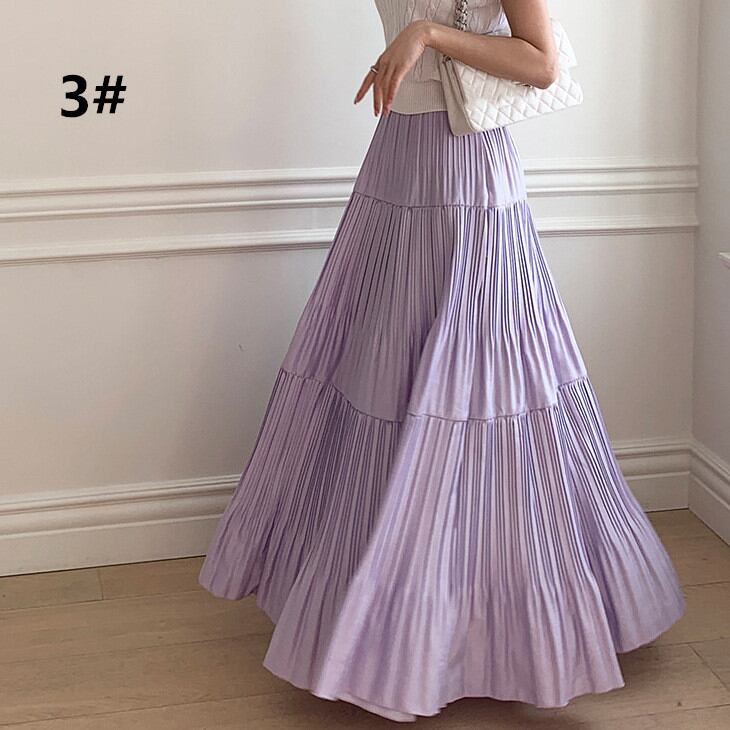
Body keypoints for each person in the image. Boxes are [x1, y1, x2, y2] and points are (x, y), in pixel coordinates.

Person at [198, 0, 685, 722]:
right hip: (396, 160)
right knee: (383, 375)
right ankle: (378, 617)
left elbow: (540, 61)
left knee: (479, 389)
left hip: (466, 173)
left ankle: (481, 630)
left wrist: (426, 32)